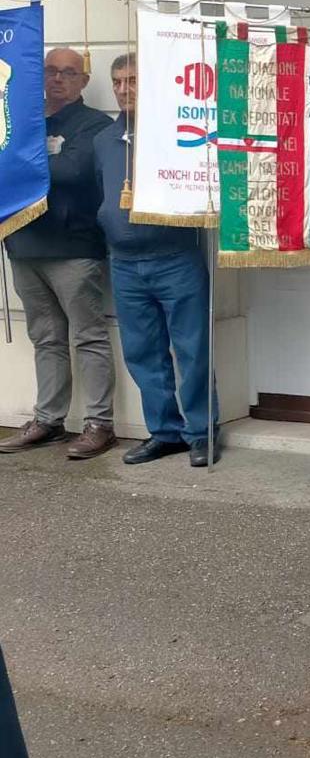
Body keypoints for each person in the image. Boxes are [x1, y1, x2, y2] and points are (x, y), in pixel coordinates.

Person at [89, 53, 218, 469]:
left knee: (192, 350)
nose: (124, 89)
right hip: (125, 263)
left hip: (175, 259)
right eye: (118, 82)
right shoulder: (104, 141)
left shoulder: (174, 133)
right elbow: (102, 192)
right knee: (143, 353)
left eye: (133, 81)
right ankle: (164, 431)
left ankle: (203, 433)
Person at [0, 46, 117, 460]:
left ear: (84, 81)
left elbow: (75, 170)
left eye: (68, 72)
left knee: (88, 336)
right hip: (24, 243)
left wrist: (19, 160)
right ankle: (48, 421)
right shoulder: (21, 122)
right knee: (45, 338)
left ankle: (100, 424)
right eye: (50, 71)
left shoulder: (94, 124)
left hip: (74, 247)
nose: (57, 79)